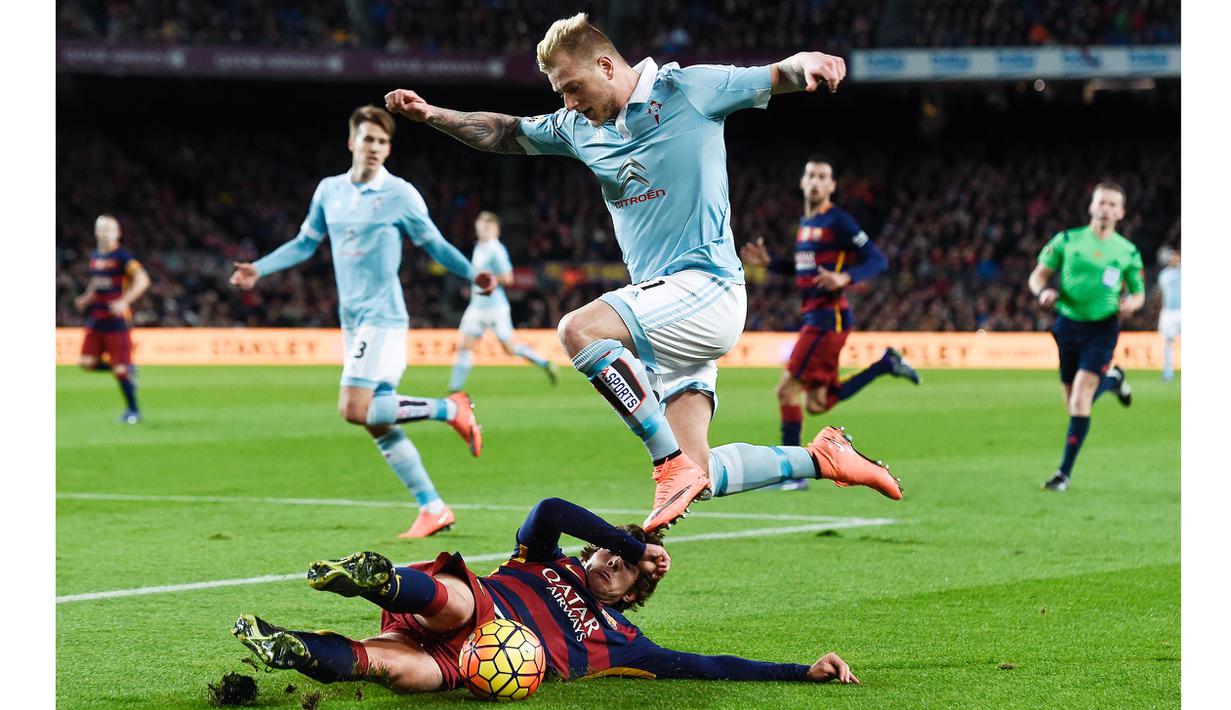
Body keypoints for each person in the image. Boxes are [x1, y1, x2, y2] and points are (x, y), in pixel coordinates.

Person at [384, 13, 901, 531]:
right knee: (700, 471)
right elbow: (506, 132)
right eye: (560, 93)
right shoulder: (577, 127)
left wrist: (805, 62)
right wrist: (433, 115)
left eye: (572, 87)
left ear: (606, 66)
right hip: (663, 309)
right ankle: (823, 457)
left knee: (577, 329)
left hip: (708, 288)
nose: (567, 103)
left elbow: (770, 75)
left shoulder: (688, 89)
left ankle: (666, 463)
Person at [233, 497, 861, 693]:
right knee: (459, 599)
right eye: (611, 552)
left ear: (632, 598)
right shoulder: (545, 559)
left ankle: (289, 647)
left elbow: (705, 666)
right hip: (473, 605)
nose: (614, 562)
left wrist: (801, 672)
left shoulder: (621, 642)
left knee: (396, 666)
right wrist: (634, 540)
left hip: (471, 664)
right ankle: (379, 577)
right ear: (592, 548)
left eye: (627, 571)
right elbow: (550, 508)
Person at [229, 105, 496, 538]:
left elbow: (435, 243)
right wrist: (260, 268)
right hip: (352, 321)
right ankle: (433, 507)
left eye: (382, 141)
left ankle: (451, 409)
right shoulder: (329, 191)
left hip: (384, 318)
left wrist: (471, 272)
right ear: (351, 142)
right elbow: (304, 243)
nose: (374, 148)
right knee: (377, 419)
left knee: (352, 408)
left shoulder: (401, 194)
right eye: (368, 139)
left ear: (388, 149)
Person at [740, 157, 919, 490]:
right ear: (802, 182)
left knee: (786, 390)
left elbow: (878, 259)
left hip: (827, 320)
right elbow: (804, 268)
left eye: (823, 177)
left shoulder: (839, 220)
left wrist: (845, 276)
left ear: (832, 186)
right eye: (811, 176)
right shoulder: (807, 222)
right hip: (819, 318)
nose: (816, 182)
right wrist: (773, 263)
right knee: (818, 403)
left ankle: (792, 475)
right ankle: (884, 365)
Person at [1027, 182, 1143, 492]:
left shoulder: (1127, 251)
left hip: (1102, 328)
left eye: (1112, 204)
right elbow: (1037, 276)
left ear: (1121, 212)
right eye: (1101, 202)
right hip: (1068, 325)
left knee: (1080, 398)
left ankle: (1063, 474)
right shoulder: (1066, 240)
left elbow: (1138, 292)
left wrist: (1132, 303)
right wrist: (1043, 292)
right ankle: (1113, 381)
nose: (1105, 208)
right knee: (1075, 404)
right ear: (1091, 206)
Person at [448, 211, 559, 392]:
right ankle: (454, 390)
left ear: (495, 229)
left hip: (495, 307)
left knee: (509, 348)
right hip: (477, 306)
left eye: (486, 227)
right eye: (480, 226)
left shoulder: (495, 249)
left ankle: (545, 363)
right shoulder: (480, 247)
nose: (482, 230)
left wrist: (486, 282)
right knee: (464, 345)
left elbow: (508, 278)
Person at [74, 214, 150, 424]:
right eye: (102, 229)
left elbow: (143, 280)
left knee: (119, 369)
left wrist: (125, 301)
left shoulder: (123, 257)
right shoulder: (96, 256)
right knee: (86, 363)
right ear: (96, 232)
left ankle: (134, 411)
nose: (105, 233)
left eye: (110, 230)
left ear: (118, 233)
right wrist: (86, 298)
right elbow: (96, 281)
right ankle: (128, 368)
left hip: (117, 322)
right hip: (97, 318)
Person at [1155, 246, 1180, 382]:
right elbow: (1162, 294)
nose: (1174, 258)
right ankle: (1168, 372)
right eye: (1172, 256)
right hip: (1168, 312)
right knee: (1167, 343)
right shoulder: (1164, 274)